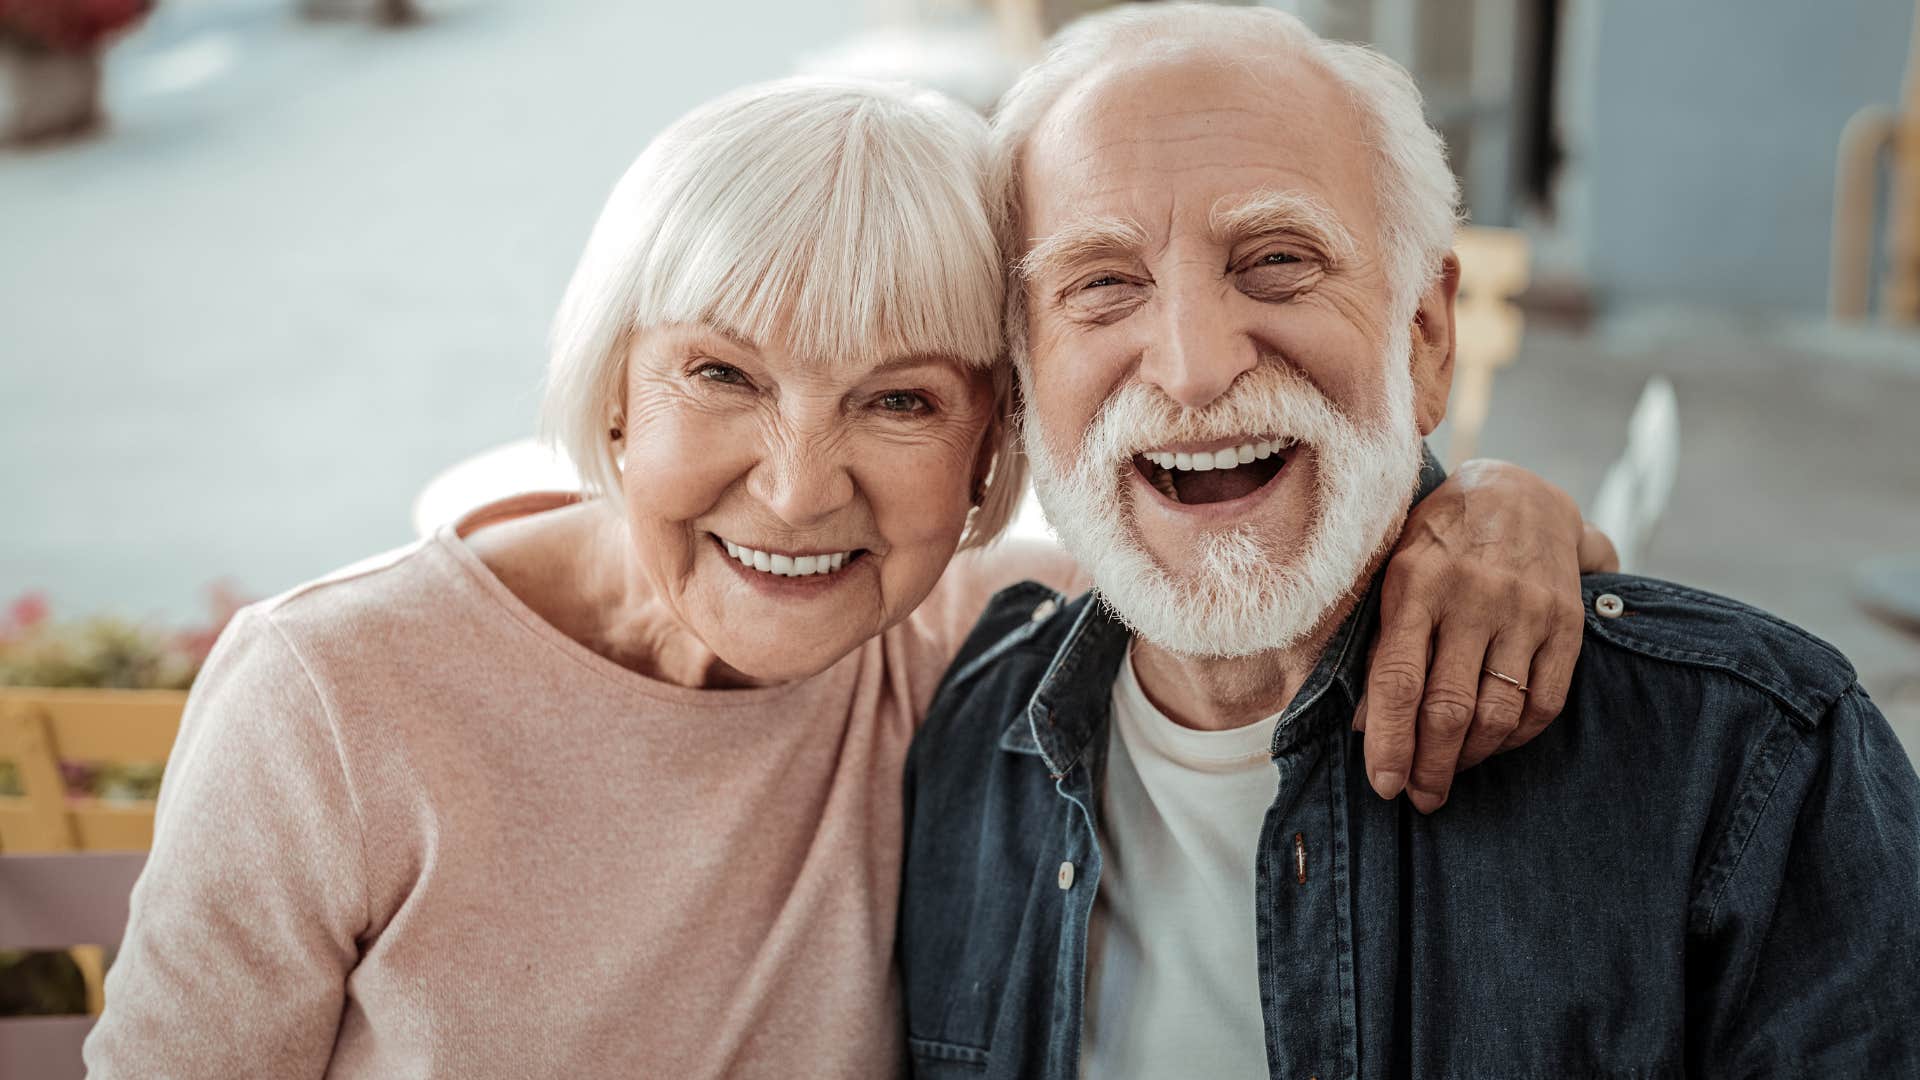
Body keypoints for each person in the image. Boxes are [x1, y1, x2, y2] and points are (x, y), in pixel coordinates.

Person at [85, 77, 1609, 1078]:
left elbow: (1254, 555)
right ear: (612, 388)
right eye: (721, 375)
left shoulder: (972, 643)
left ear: (989, 455)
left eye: (898, 402)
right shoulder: (333, 697)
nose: (801, 490)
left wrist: (1489, 506)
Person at [896, 7, 1920, 1078]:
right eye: (1103, 283)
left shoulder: (1747, 764)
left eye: (1277, 260)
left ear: (1426, 338)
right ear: (1019, 384)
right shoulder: (956, 742)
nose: (1193, 365)